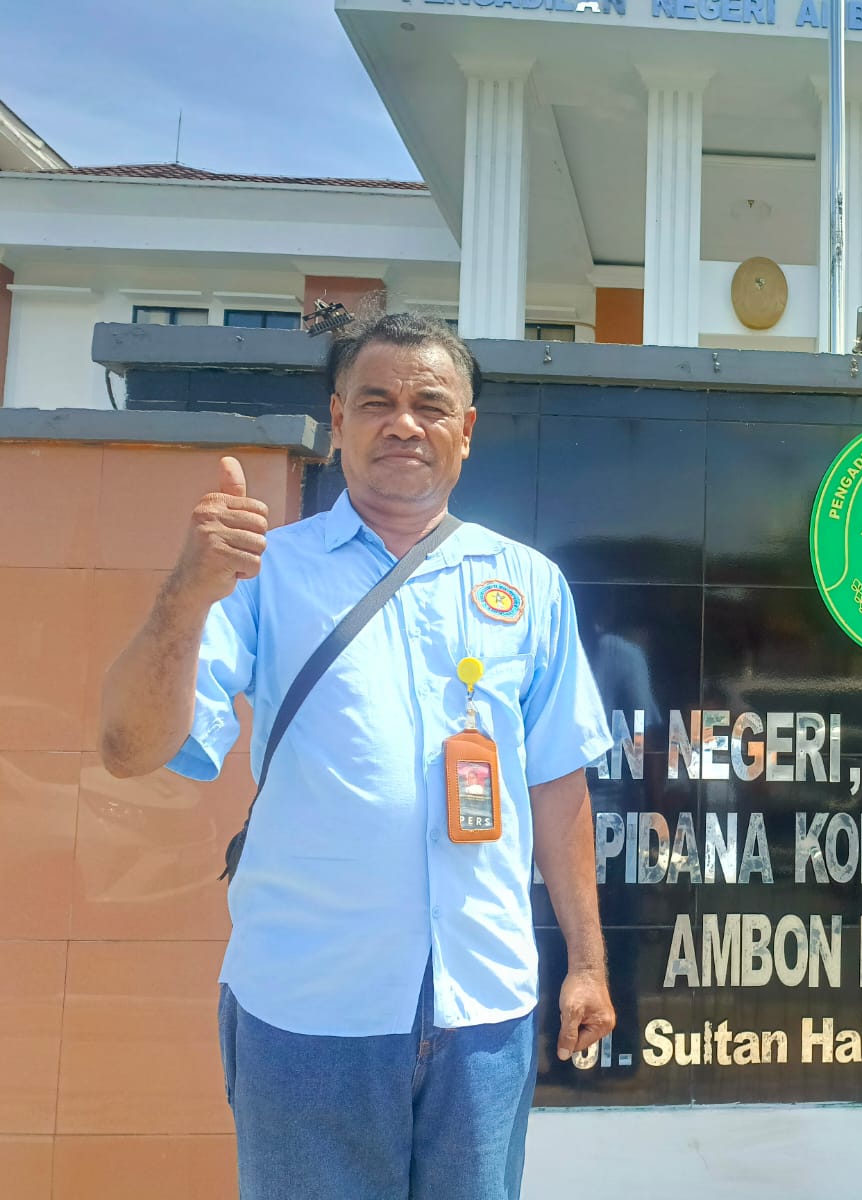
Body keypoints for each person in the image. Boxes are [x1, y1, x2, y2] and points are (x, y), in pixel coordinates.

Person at [98, 313, 616, 1200]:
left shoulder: (527, 582)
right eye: (376, 402)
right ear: (337, 421)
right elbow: (129, 749)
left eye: (429, 405)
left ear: (465, 431)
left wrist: (588, 964)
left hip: (482, 1006)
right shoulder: (265, 572)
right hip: (309, 1008)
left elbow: (555, 780)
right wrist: (185, 594)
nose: (403, 423)